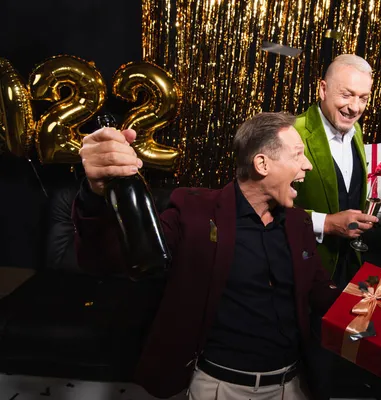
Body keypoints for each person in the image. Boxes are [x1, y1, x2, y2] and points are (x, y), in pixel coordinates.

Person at [73, 112, 343, 400]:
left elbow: (319, 290)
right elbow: (107, 259)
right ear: (262, 164)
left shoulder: (298, 222)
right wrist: (94, 195)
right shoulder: (193, 211)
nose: (308, 165)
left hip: (291, 388)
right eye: (298, 155)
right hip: (219, 389)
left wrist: (372, 327)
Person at [294, 54, 379, 286]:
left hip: (349, 268)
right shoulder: (293, 133)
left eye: (363, 98)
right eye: (346, 94)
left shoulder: (356, 130)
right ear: (323, 89)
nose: (355, 107)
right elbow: (266, 209)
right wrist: (328, 223)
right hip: (304, 271)